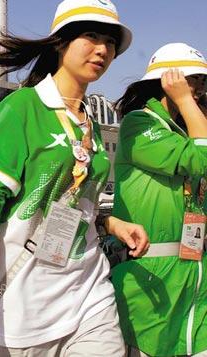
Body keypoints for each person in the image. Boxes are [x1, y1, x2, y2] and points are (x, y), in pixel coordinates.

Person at [0, 1, 149, 356]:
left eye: (110, 42)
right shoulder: (23, 107)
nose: (103, 49)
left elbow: (76, 200)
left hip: (89, 289)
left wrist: (110, 223)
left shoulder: (90, 124)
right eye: (91, 36)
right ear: (60, 42)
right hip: (24, 306)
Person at [111, 43, 207, 356]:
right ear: (169, 80)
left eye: (202, 81)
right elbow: (202, 159)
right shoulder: (139, 124)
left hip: (193, 268)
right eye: (192, 79)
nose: (198, 87)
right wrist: (186, 101)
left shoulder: (188, 129)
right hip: (153, 272)